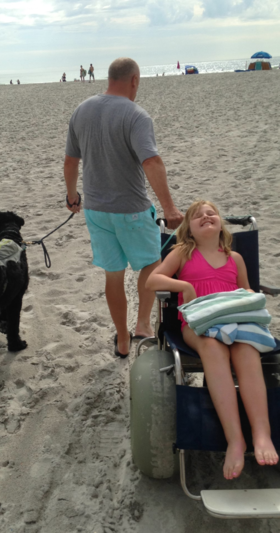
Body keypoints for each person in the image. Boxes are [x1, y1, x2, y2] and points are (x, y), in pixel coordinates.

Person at [146, 200, 279, 480]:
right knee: (212, 347)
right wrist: (184, 285)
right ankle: (235, 439)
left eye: (211, 213)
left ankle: (262, 433)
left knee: (247, 351)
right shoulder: (182, 252)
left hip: (236, 321)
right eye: (198, 216)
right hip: (198, 324)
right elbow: (152, 281)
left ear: (220, 224)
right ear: (189, 230)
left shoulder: (235, 258)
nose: (206, 217)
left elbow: (246, 292)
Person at [64, 57, 183, 358]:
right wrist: (169, 210)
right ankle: (142, 326)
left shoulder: (81, 110)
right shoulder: (136, 114)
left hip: (96, 211)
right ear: (134, 80)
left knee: (113, 274)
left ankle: (121, 339)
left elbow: (70, 161)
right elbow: (152, 161)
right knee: (149, 264)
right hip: (131, 209)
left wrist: (71, 195)